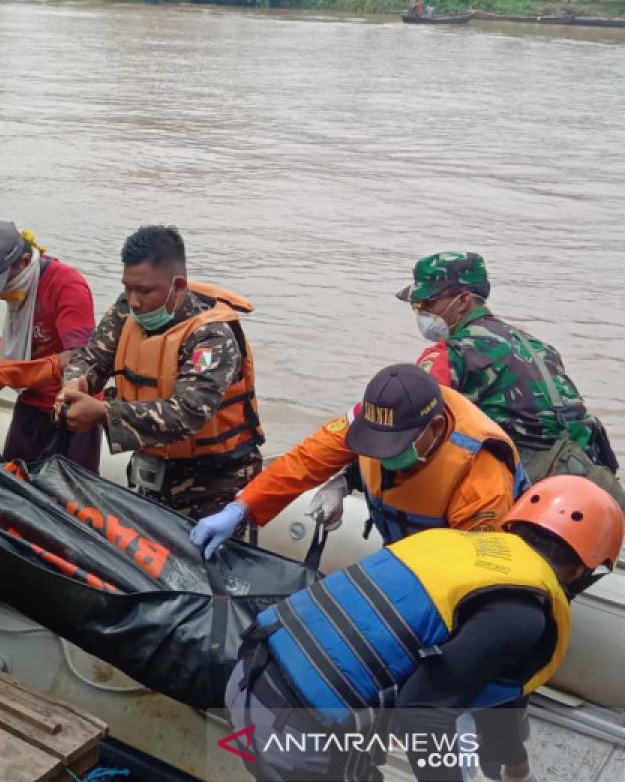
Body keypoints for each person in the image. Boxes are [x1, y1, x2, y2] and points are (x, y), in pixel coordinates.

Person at [222, 475, 624, 782]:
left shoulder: (455, 546)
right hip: (298, 732)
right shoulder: (522, 613)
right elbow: (423, 715)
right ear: (585, 568)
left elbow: (487, 675)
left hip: (249, 679)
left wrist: (513, 764)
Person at [190, 364, 527, 556]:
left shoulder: (480, 473)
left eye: (393, 446)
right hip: (399, 547)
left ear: (434, 428)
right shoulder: (375, 415)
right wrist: (241, 508)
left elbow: (477, 571)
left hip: (454, 561)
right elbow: (303, 462)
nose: (382, 454)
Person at [56, 225, 264, 519]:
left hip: (214, 483)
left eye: (144, 291)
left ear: (178, 286)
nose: (134, 300)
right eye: (127, 287)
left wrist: (105, 413)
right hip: (150, 473)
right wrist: (74, 385)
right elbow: (92, 358)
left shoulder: (212, 337)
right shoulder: (127, 310)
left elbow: (189, 412)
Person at [403, 251, 622, 510]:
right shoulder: (539, 347)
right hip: (597, 492)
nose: (421, 313)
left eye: (426, 304)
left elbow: (403, 420)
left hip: (537, 499)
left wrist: (351, 478)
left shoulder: (453, 353)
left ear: (462, 302)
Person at [0, 221, 100, 471]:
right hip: (31, 403)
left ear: (24, 261)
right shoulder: (21, 285)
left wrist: (13, 372)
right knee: (14, 480)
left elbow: (82, 357)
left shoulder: (66, 285)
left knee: (66, 497)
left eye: (1, 280)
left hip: (70, 412)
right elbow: (25, 333)